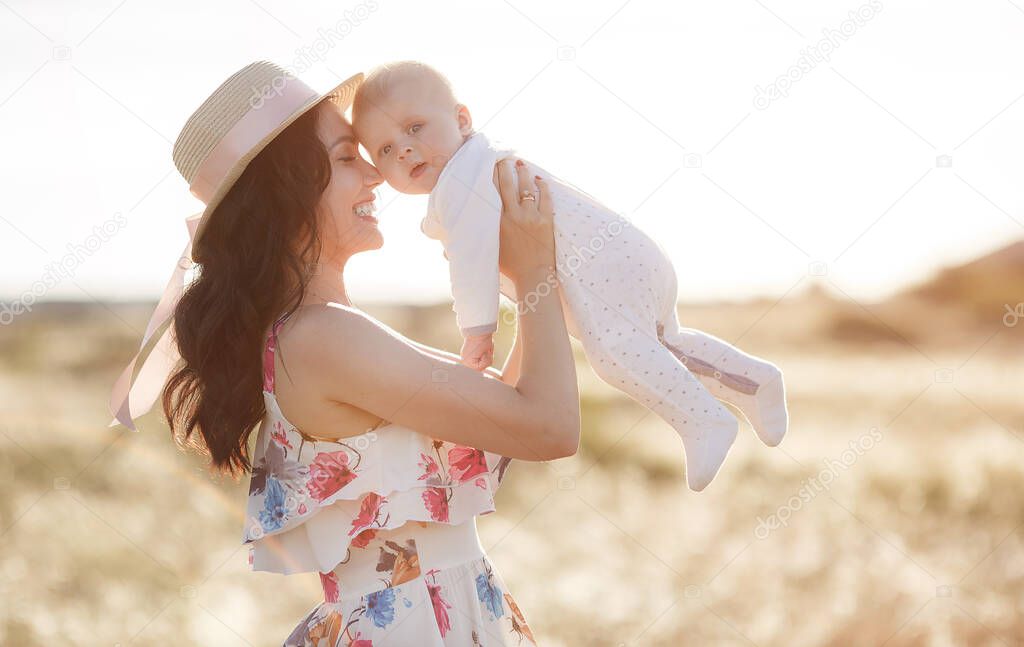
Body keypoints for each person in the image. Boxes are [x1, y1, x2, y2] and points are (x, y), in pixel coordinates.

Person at [108, 60, 579, 646]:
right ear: (287, 197)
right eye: (345, 158)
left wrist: (534, 278)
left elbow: (511, 414)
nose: (376, 176)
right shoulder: (324, 338)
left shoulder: (318, 333)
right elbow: (550, 427)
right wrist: (535, 267)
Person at [351, 60, 789, 492]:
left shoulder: (460, 184)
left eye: (414, 128)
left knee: (614, 352)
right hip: (629, 259)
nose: (404, 148)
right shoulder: (482, 164)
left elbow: (472, 263)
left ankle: (703, 420)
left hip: (607, 268)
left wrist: (478, 331)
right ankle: (754, 382)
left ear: (462, 119)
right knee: (662, 344)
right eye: (386, 149)